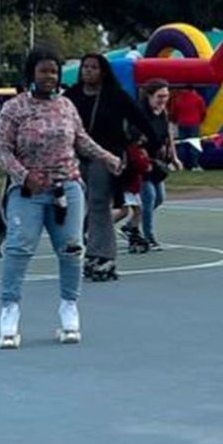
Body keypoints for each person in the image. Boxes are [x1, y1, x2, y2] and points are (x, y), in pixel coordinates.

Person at [0, 45, 120, 348]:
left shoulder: (65, 106)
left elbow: (80, 139)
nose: (50, 76)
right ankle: (9, 310)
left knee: (72, 249)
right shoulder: (15, 108)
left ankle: (69, 307)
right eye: (43, 71)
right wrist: (24, 176)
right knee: (19, 248)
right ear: (31, 74)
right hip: (29, 191)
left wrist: (107, 157)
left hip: (68, 187)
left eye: (54, 71)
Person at [65, 53, 149, 280]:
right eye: (85, 67)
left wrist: (153, 142)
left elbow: (139, 117)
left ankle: (103, 256)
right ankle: (83, 248)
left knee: (99, 202)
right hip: (75, 156)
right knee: (71, 203)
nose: (88, 71)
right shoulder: (71, 96)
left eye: (93, 67)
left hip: (106, 156)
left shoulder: (115, 95)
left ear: (103, 71)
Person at [136, 79, 180, 249]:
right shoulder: (140, 113)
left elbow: (168, 135)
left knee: (159, 198)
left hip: (158, 161)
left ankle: (132, 225)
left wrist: (174, 157)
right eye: (160, 96)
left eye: (166, 96)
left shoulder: (163, 112)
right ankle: (148, 236)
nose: (164, 99)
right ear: (149, 96)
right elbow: (134, 137)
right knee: (149, 197)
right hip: (143, 161)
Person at [170, 85, 207, 170]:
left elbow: (173, 112)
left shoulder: (178, 98)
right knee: (194, 145)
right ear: (193, 89)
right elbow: (203, 111)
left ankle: (180, 163)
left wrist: (175, 120)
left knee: (182, 144)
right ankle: (194, 165)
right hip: (194, 123)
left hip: (181, 123)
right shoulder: (198, 98)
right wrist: (200, 120)